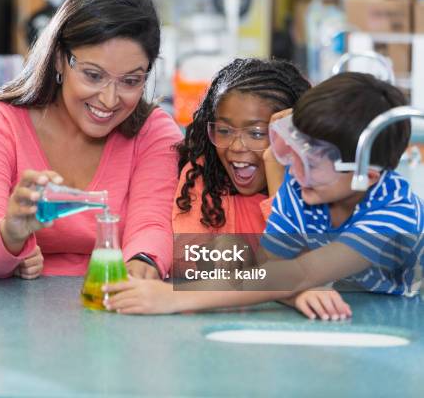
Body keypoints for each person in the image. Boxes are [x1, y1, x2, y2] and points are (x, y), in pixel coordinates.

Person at [104, 73, 421, 319]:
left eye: (311, 163)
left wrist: (172, 296)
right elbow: (269, 271)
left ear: (366, 175)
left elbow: (298, 272)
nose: (294, 172)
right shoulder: (304, 190)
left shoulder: (394, 214)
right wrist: (296, 294)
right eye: (292, 154)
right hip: (347, 317)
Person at [0, 0, 182, 279]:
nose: (109, 100)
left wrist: (143, 265)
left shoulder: (154, 133)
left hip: (112, 300)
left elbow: (152, 226)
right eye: (93, 75)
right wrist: (10, 232)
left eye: (131, 81)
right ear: (60, 59)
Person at [173, 58, 310, 234]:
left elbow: (295, 254)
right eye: (224, 130)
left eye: (256, 133)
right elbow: (189, 257)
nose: (236, 147)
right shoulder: (202, 176)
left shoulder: (316, 189)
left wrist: (275, 170)